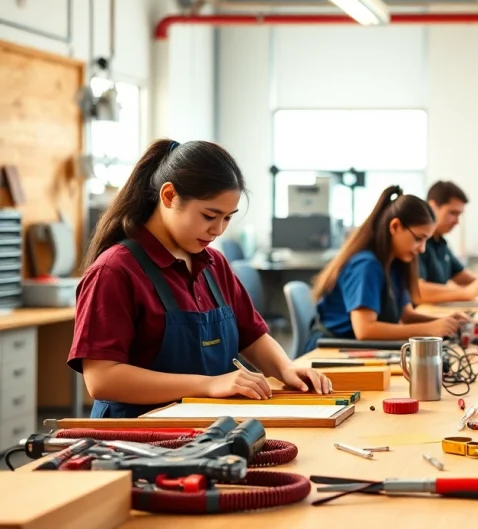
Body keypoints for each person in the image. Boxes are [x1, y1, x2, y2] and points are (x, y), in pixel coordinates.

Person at [70, 140, 332, 419]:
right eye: (209, 215)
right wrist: (209, 384)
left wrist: (285, 369)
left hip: (204, 430)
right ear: (169, 196)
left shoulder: (213, 264)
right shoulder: (115, 270)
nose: (217, 230)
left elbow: (252, 337)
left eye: (227, 218)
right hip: (134, 440)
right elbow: (102, 379)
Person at [307, 186, 468, 351]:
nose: (422, 249)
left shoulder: (396, 264)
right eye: (419, 239)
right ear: (395, 226)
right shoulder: (366, 265)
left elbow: (406, 315)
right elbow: (365, 330)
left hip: (354, 347)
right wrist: (430, 329)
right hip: (330, 352)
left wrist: (444, 322)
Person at [417, 181, 478, 304]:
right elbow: (418, 291)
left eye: (459, 215)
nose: (457, 222)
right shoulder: (418, 244)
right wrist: (466, 293)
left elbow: (460, 275)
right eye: (452, 213)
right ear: (432, 207)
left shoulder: (441, 243)